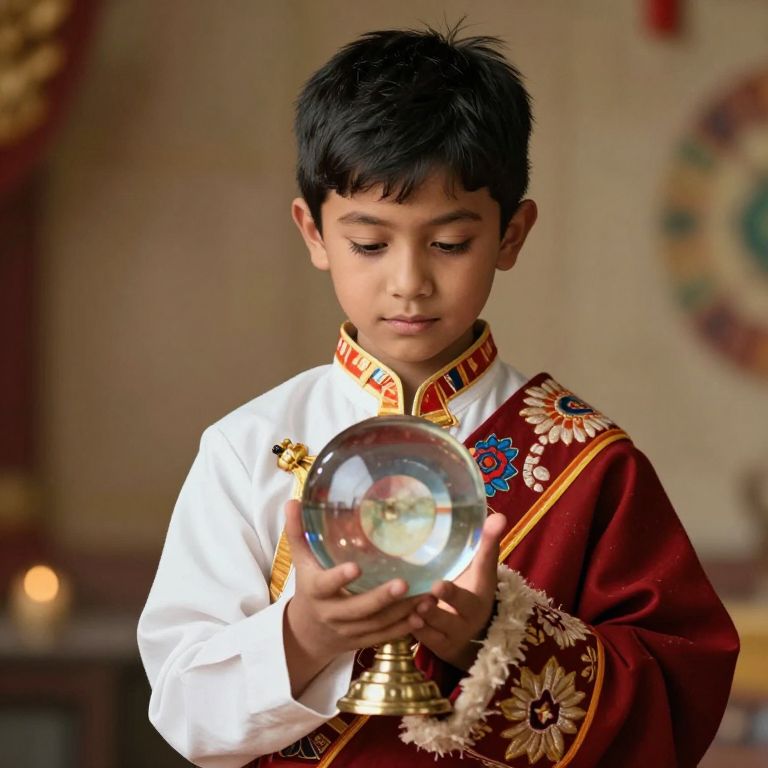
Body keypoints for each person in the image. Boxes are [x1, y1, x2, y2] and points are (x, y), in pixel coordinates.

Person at [137, 25, 739, 768]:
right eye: (370, 244)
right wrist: (304, 636)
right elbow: (184, 708)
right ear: (313, 231)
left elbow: (677, 697)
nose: (409, 282)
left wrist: (497, 640)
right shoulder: (247, 447)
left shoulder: (588, 462)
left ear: (511, 234)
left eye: (450, 243)